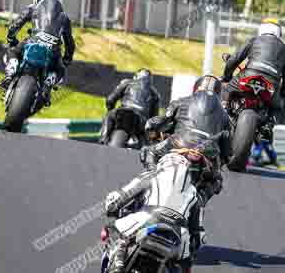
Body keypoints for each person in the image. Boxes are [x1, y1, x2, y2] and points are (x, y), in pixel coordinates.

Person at [137, 75, 232, 255]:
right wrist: (219, 162)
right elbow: (228, 152)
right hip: (207, 156)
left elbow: (159, 122)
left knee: (148, 152)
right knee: (216, 181)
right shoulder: (225, 116)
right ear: (219, 94)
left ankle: (150, 180)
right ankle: (198, 206)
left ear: (195, 88)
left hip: (177, 144)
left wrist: (152, 129)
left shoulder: (181, 101)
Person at [103, 150, 208, 273]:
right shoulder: (194, 192)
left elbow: (117, 199)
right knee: (185, 262)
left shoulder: (151, 175)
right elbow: (199, 236)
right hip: (178, 233)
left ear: (163, 164)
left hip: (147, 218)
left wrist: (111, 204)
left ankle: (118, 263)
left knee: (113, 229)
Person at [221, 18, 285, 142]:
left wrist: (226, 77)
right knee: (277, 105)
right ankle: (269, 126)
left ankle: (222, 110)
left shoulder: (255, 40)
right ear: (278, 33)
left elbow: (234, 60)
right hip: (271, 83)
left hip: (248, 76)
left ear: (262, 29)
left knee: (226, 91)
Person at [0, 0, 75, 96]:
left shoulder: (33, 7)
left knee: (13, 52)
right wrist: (67, 59)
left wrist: (11, 39)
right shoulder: (64, 17)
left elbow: (16, 25)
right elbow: (69, 43)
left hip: (32, 42)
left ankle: (11, 69)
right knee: (60, 69)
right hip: (53, 49)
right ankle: (50, 80)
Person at [99, 69, 161, 145]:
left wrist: (110, 109)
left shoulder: (127, 83)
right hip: (140, 120)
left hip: (123, 112)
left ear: (136, 77)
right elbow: (154, 119)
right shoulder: (155, 94)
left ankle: (102, 140)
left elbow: (110, 100)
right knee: (146, 139)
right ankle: (144, 149)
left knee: (108, 116)